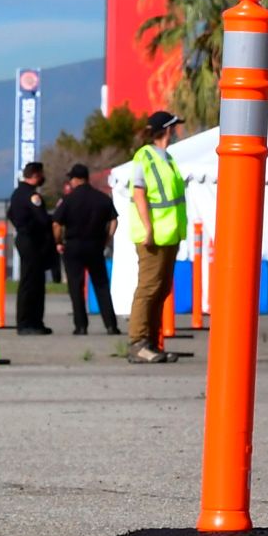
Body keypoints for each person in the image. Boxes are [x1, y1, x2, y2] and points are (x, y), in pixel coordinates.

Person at [124, 111, 186, 363]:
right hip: (153, 235)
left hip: (169, 234)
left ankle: (152, 341)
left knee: (161, 289)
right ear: (167, 130)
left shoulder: (167, 158)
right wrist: (148, 228)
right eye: (175, 127)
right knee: (148, 289)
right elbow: (140, 193)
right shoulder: (145, 156)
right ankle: (138, 342)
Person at [54, 163, 121, 336]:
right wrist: (107, 239)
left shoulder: (68, 200)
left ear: (76, 179)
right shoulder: (102, 198)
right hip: (95, 246)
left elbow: (56, 223)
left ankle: (81, 326)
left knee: (76, 287)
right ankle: (111, 325)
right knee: (101, 285)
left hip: (74, 246)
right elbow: (114, 220)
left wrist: (58, 241)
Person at [6, 161, 57, 334]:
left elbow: (10, 214)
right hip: (32, 241)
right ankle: (27, 322)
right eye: (41, 175)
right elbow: (42, 220)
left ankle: (34, 322)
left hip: (24, 238)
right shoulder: (32, 196)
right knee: (31, 282)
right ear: (35, 175)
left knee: (33, 281)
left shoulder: (16, 194)